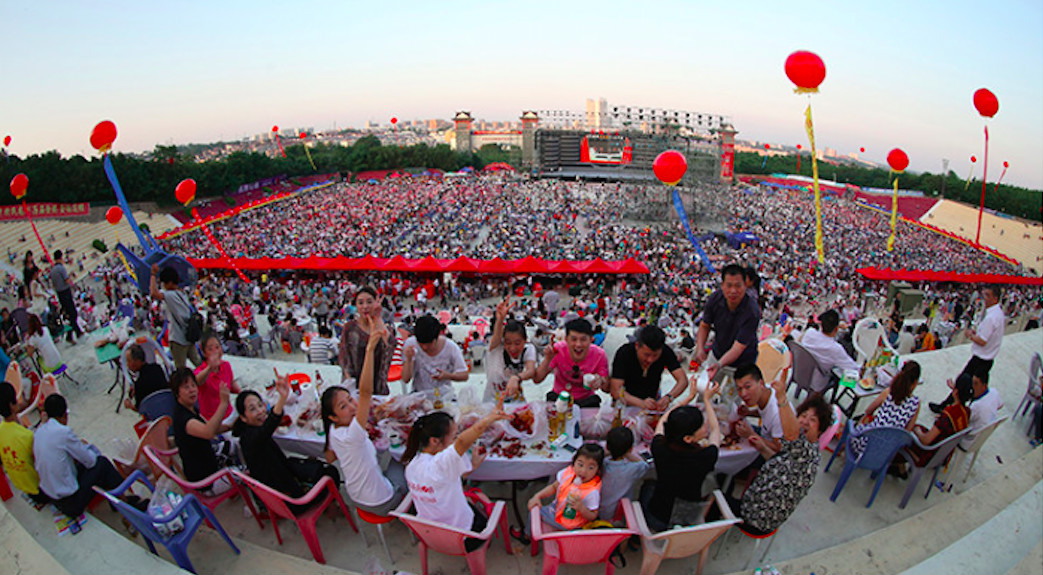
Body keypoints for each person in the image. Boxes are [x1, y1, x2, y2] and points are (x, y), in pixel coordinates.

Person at [710, 377, 832, 535]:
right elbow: (780, 461)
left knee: (712, 493)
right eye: (803, 416)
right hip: (764, 509)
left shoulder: (804, 450)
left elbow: (791, 434)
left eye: (813, 420)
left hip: (755, 518)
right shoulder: (804, 449)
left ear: (820, 431)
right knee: (726, 476)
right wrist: (762, 447)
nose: (805, 422)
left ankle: (706, 535)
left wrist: (782, 398)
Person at [323, 315, 408, 515]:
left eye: (350, 400)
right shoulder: (353, 433)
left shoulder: (334, 432)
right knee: (406, 459)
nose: (352, 406)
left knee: (382, 456)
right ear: (333, 417)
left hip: (356, 499)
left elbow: (329, 457)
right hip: (382, 502)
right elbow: (366, 392)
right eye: (343, 407)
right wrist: (370, 348)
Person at [401, 407, 508, 552]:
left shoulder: (412, 465)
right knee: (482, 508)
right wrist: (489, 419)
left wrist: (472, 468)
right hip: (462, 536)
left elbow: (444, 482)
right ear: (434, 441)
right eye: (453, 437)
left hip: (428, 533)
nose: (456, 439)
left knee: (467, 497)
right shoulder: (441, 464)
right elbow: (463, 442)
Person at [232, 371, 339, 509]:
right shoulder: (251, 439)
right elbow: (267, 428)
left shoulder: (248, 431)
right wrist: (282, 398)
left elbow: (269, 425)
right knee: (332, 473)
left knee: (314, 464)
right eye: (253, 409)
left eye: (260, 405)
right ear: (243, 417)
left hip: (282, 477)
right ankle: (325, 507)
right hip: (288, 499)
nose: (260, 411)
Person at [643, 376, 722, 532]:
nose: (704, 428)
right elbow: (715, 432)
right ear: (688, 438)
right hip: (688, 520)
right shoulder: (705, 456)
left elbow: (662, 422)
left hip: (658, 517)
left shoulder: (660, 448)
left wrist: (687, 399)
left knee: (647, 485)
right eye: (700, 427)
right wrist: (707, 400)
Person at [34, 394, 125, 520]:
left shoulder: (39, 432)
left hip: (52, 496)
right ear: (64, 415)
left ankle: (116, 500)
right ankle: (124, 504)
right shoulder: (63, 433)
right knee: (102, 464)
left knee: (89, 464)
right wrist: (83, 447)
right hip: (71, 502)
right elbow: (91, 461)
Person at [930, 286, 1005, 414]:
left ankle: (947, 408)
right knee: (972, 388)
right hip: (987, 358)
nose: (984, 299)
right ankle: (952, 408)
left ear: (995, 298)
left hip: (981, 358)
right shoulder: (997, 314)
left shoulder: (991, 317)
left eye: (987, 295)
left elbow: (982, 340)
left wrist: (970, 335)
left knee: (963, 384)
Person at [170, 368, 234, 491]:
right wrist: (223, 403)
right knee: (246, 473)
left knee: (234, 444)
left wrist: (231, 426)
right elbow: (208, 432)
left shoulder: (190, 409)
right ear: (177, 392)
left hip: (209, 462)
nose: (192, 390)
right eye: (186, 387)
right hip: (205, 481)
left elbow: (211, 427)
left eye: (193, 385)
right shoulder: (183, 418)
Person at [695, 264, 761, 383]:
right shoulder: (715, 299)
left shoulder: (752, 311)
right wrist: (699, 348)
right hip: (718, 352)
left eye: (738, 286)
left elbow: (738, 348)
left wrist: (719, 365)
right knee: (704, 389)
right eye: (729, 285)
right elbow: (705, 325)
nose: (733, 291)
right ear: (722, 286)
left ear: (745, 286)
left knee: (733, 398)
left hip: (742, 362)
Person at [850, 361, 922, 461]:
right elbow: (907, 431)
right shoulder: (916, 404)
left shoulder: (888, 392)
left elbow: (869, 410)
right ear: (915, 383)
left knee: (857, 422)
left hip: (864, 447)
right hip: (887, 453)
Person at [526, 443, 605, 530]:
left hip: (572, 523)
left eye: (590, 468)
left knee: (535, 512)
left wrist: (581, 508)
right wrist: (537, 496)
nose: (583, 471)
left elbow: (593, 515)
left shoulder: (592, 492)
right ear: (574, 462)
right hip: (559, 507)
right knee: (535, 505)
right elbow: (554, 487)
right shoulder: (569, 472)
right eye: (580, 464)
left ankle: (527, 536)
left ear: (598, 470)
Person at [535, 318, 609, 408]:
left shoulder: (599, 354)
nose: (578, 344)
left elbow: (606, 388)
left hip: (586, 399)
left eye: (583, 339)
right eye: (573, 339)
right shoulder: (557, 350)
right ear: (566, 339)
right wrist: (547, 359)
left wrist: (601, 380)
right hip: (560, 397)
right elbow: (538, 379)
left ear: (591, 339)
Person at [610, 325, 687, 410]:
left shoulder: (666, 352)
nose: (650, 360)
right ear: (637, 346)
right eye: (646, 355)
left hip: (652, 403)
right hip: (625, 405)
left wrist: (668, 397)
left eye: (655, 355)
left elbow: (683, 380)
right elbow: (616, 390)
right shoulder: (624, 353)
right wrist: (642, 403)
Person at [906, 374, 973, 467]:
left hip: (929, 454)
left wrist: (917, 431)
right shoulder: (966, 412)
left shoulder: (947, 415)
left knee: (906, 433)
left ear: (956, 391)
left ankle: (900, 469)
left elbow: (926, 441)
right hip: (944, 453)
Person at [0, 381, 50, 505]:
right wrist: (44, 424)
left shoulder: (1, 430)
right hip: (40, 491)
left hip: (23, 487)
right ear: (12, 405)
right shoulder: (26, 436)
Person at [339, 287, 396, 395]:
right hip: (355, 387)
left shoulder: (384, 328)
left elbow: (391, 345)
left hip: (377, 387)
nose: (365, 306)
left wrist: (378, 318)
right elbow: (344, 359)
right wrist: (352, 389)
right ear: (356, 305)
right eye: (360, 303)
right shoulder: (350, 328)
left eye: (369, 302)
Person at [484, 298, 537, 402]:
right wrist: (500, 319)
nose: (512, 348)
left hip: (516, 399)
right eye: (508, 343)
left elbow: (531, 371)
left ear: (525, 340)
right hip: (492, 400)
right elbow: (496, 337)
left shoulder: (529, 349)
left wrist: (516, 377)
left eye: (517, 343)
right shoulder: (497, 347)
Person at [727, 364, 784, 460]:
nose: (743, 394)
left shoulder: (777, 413)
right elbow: (764, 412)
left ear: (761, 383)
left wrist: (751, 434)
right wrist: (749, 413)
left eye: (748, 387)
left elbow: (778, 448)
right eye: (739, 389)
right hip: (763, 432)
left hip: (770, 453)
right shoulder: (767, 392)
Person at [150, 264, 201, 369]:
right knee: (198, 363)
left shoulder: (169, 295)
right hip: (188, 336)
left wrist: (153, 274)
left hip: (178, 339)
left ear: (168, 283)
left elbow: (154, 293)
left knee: (180, 369)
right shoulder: (181, 293)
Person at [401, 315, 468, 393]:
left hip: (444, 396)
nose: (425, 348)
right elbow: (406, 379)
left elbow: (464, 375)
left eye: (429, 344)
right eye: (421, 344)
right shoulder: (411, 345)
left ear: (437, 337)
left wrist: (448, 376)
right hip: (420, 394)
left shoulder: (451, 347)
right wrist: (409, 360)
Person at [800, 310, 859, 394]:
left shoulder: (809, 333)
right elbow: (851, 367)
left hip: (800, 373)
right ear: (836, 329)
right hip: (816, 382)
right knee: (838, 375)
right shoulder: (835, 349)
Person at [598, 426, 650, 522]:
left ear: (607, 446)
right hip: (620, 512)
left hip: (598, 509)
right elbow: (644, 465)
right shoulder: (633, 468)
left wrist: (609, 452)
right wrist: (627, 453)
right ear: (630, 449)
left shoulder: (600, 464)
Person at [193, 332, 241, 420]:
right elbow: (197, 381)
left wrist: (242, 393)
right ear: (204, 352)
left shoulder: (226, 365)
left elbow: (231, 383)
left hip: (229, 413)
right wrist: (210, 368)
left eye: (217, 347)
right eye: (210, 349)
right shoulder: (201, 371)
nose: (215, 351)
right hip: (212, 419)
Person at [960, 366, 1003, 448]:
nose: (973, 386)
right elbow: (1001, 405)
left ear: (984, 385)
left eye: (976, 384)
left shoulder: (976, 406)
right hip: (982, 437)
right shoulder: (994, 392)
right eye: (973, 383)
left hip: (969, 440)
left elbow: (963, 420)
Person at [123, 343, 169, 412]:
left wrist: (130, 406)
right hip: (168, 405)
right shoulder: (157, 368)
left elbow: (141, 410)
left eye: (129, 361)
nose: (127, 364)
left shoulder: (139, 384)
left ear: (137, 361)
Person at [49, 250, 82, 341]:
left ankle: (72, 334)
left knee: (68, 315)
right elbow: (67, 280)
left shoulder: (52, 271)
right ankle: (75, 333)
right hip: (65, 292)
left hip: (60, 294)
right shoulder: (61, 268)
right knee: (72, 314)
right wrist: (71, 276)